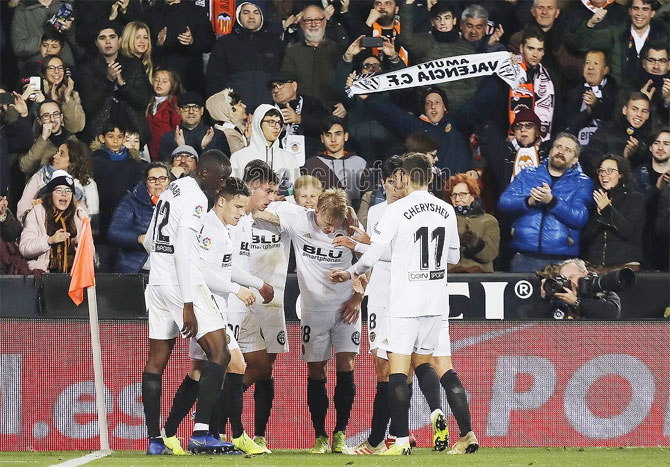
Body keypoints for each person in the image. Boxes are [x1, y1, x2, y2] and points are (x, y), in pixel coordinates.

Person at [329, 153, 472, 456]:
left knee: (396, 372)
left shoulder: (396, 210)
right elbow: (454, 258)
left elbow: (370, 258)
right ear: (431, 177)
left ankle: (401, 441)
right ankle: (439, 412)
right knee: (424, 364)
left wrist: (349, 272)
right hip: (435, 302)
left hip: (405, 300)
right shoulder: (446, 209)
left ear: (404, 178)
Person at [164, 177, 269, 456]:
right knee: (236, 364)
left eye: (244, 208)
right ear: (221, 201)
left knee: (199, 371)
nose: (241, 212)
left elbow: (225, 268)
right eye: (237, 206)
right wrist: (237, 289)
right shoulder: (208, 227)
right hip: (205, 307)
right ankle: (222, 434)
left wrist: (258, 284)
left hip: (211, 308)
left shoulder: (222, 229)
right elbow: (204, 273)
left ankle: (170, 432)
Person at [254, 188, 363, 454]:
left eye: (334, 227)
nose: (329, 231)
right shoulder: (294, 216)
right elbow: (258, 210)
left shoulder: (349, 221)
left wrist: (357, 297)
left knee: (346, 366)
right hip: (313, 310)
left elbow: (368, 261)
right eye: (326, 225)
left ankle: (340, 434)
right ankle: (320, 436)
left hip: (346, 308)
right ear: (316, 211)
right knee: (316, 372)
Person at [141, 149, 232, 455]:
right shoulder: (196, 197)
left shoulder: (172, 188)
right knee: (220, 351)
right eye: (221, 179)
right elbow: (182, 249)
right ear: (205, 173)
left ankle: (155, 440)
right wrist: (188, 303)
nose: (222, 186)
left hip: (157, 279)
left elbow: (152, 240)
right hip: (182, 283)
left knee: (157, 360)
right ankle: (202, 433)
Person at [498, 133, 593, 273]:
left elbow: (579, 217)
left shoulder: (582, 182)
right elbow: (504, 203)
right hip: (524, 258)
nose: (561, 152)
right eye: (558, 147)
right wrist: (529, 201)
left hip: (562, 261)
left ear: (575, 159)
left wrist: (552, 202)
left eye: (568, 150)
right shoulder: (527, 174)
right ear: (551, 150)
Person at [358, 86, 472, 174]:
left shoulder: (458, 123)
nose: (433, 106)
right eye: (428, 103)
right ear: (424, 109)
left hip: (460, 190)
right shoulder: (417, 127)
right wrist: (369, 97)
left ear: (445, 107)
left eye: (437, 102)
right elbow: (392, 114)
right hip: (432, 191)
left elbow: (478, 110)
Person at [78, 21, 152, 144]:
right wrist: (108, 81)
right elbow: (88, 106)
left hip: (132, 132)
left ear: (119, 40)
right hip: (100, 133)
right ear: (96, 43)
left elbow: (143, 101)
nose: (108, 42)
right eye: (102, 38)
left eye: (112, 37)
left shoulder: (134, 64)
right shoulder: (87, 68)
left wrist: (122, 84)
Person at [399, 0, 478, 111]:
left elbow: (472, 83)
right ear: (432, 22)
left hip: (462, 111)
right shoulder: (425, 43)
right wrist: (408, 4)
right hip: (432, 111)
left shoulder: (467, 48)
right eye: (438, 18)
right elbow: (406, 39)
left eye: (447, 18)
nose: (442, 23)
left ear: (454, 21)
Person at [205, 1, 285, 111]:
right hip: (234, 112)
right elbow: (214, 81)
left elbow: (284, 81)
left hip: (268, 113)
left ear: (262, 15)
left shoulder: (276, 44)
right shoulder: (224, 44)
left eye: (256, 12)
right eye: (246, 12)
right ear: (238, 15)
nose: (251, 17)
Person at [574, 0, 669, 91]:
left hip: (654, 97)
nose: (639, 13)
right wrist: (591, 23)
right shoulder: (616, 33)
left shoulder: (663, 36)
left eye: (645, 9)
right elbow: (582, 44)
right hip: (619, 96)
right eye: (636, 8)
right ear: (630, 11)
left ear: (652, 13)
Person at [91, 122, 144, 265]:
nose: (115, 141)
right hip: (101, 218)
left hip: (126, 218)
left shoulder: (133, 164)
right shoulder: (94, 161)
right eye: (111, 136)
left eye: (119, 137)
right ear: (102, 138)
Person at [581, 154, 645, 269]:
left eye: (610, 170)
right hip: (595, 266)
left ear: (620, 174)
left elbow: (628, 231)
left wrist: (607, 210)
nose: (604, 174)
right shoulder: (595, 198)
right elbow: (585, 238)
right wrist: (598, 216)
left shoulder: (635, 198)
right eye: (601, 171)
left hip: (624, 267)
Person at [107, 161, 170, 274]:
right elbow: (114, 232)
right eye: (152, 179)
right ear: (146, 182)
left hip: (168, 270)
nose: (158, 183)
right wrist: (140, 238)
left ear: (169, 181)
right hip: (138, 269)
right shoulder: (131, 201)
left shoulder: (178, 203)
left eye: (162, 178)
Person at [19, 170, 87, 273]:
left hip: (73, 276)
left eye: (68, 191)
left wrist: (79, 245)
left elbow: (90, 252)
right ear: (50, 194)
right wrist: (49, 240)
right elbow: (25, 248)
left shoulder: (79, 214)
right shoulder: (37, 213)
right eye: (59, 190)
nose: (64, 194)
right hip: (43, 276)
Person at [17, 139, 98, 225]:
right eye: (57, 152)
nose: (55, 156)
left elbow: (87, 219)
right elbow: (22, 209)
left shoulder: (86, 185)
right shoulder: (40, 177)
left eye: (61, 154)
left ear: (73, 161)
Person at [144, 0, 215, 93]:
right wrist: (157, 43)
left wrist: (193, 41)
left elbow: (210, 43)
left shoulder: (196, 11)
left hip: (188, 80)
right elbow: (141, 44)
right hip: (158, 79)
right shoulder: (151, 13)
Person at [281, 5, 343, 109]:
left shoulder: (338, 50)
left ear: (325, 22)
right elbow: (287, 86)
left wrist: (344, 105)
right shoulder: (291, 52)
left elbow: (347, 82)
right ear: (301, 24)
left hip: (333, 112)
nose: (313, 24)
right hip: (302, 114)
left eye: (318, 20)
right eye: (308, 21)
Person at [302, 117, 369, 210]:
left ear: (346, 136)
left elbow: (368, 198)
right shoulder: (311, 164)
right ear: (322, 138)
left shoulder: (360, 163)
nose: (333, 139)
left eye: (338, 134)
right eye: (328, 135)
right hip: (320, 220)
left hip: (354, 220)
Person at [231, 105, 300, 195]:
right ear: (258, 123)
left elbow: (296, 192)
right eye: (271, 122)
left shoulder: (289, 158)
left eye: (279, 122)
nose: (277, 127)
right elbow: (233, 193)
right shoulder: (239, 157)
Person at [582, 91, 651, 177]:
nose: (639, 115)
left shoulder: (648, 139)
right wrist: (623, 157)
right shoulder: (607, 130)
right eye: (634, 109)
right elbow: (589, 159)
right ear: (625, 110)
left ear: (648, 115)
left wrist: (634, 155)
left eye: (644, 111)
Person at [268, 71, 331, 163]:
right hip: (277, 162)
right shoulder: (267, 110)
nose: (276, 90)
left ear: (294, 86)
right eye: (273, 87)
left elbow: (327, 125)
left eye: (280, 84)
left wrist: (300, 119)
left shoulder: (312, 103)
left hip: (310, 162)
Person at [559, 49, 618, 147]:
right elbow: (567, 125)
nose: (590, 67)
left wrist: (596, 106)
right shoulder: (572, 91)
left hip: (604, 146)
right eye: (587, 63)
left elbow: (613, 121)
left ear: (606, 70)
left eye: (596, 63)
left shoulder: (615, 91)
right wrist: (587, 112)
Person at [508, 26, 556, 141]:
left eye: (539, 50)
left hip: (541, 144)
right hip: (508, 142)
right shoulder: (508, 72)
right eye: (531, 48)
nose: (535, 54)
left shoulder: (551, 78)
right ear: (521, 48)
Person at [447, 173, 499, 273]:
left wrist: (475, 243)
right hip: (451, 276)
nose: (457, 199)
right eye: (454, 195)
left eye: (462, 195)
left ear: (473, 195)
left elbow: (490, 254)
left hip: (480, 276)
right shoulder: (443, 219)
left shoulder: (489, 221)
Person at [158, 91, 231, 162]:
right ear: (178, 110)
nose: (191, 112)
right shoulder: (168, 138)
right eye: (186, 107)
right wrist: (181, 148)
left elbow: (223, 167)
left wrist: (204, 148)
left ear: (202, 110)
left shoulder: (217, 136)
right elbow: (165, 167)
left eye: (195, 107)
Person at [634, 128, 670, 270]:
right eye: (657, 143)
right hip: (645, 245)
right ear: (650, 147)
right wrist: (657, 188)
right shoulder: (639, 173)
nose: (661, 147)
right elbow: (636, 207)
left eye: (666, 143)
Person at [539, 258, 622, 319]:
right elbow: (540, 325)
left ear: (585, 275)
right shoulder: (560, 296)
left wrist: (576, 302)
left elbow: (612, 315)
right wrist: (544, 299)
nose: (569, 281)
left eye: (572, 276)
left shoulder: (602, 290)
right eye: (564, 278)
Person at [11, 0, 80, 68]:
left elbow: (81, 48)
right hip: (36, 67)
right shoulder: (22, 9)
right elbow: (19, 47)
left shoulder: (69, 5)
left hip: (65, 65)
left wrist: (70, 30)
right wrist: (47, 38)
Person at [19, 99, 78, 176]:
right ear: (39, 121)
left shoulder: (73, 141)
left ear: (61, 117)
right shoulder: (32, 140)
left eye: (56, 114)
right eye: (46, 116)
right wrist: (43, 138)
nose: (52, 119)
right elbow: (26, 167)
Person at [39, 55, 85, 134]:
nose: (56, 71)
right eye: (51, 68)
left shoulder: (72, 94)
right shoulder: (38, 92)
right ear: (44, 73)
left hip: (65, 140)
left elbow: (76, 127)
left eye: (60, 68)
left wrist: (67, 98)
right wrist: (53, 102)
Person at [147, 68, 183, 161]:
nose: (159, 83)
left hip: (166, 149)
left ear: (172, 85)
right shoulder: (148, 102)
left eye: (164, 81)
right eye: (156, 80)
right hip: (149, 148)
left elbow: (176, 126)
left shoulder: (173, 104)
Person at [206, 89, 251, 156]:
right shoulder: (229, 134)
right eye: (239, 104)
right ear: (228, 110)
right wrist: (249, 139)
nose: (244, 106)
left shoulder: (232, 129)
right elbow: (242, 161)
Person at [638, 42, 670, 131]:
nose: (656, 66)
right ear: (644, 63)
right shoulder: (630, 85)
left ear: (669, 65)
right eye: (651, 60)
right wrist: (642, 101)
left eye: (662, 61)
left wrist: (667, 100)